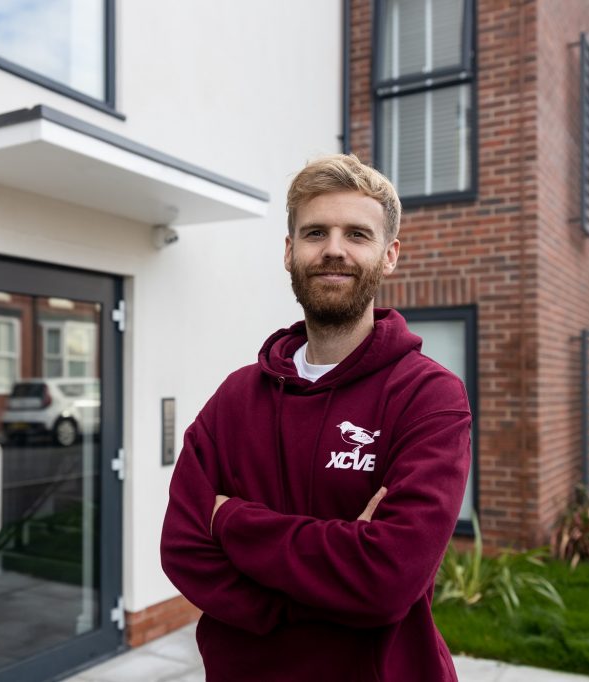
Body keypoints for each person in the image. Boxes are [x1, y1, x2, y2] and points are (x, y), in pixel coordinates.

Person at [160, 154, 472, 681]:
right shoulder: (235, 398)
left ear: (389, 255)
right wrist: (324, 589)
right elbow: (183, 548)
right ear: (289, 251)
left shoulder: (429, 396)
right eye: (315, 233)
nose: (333, 249)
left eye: (357, 234)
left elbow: (388, 577)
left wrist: (230, 519)